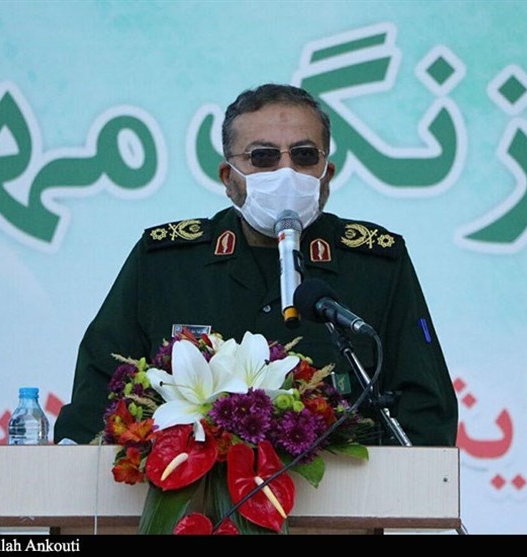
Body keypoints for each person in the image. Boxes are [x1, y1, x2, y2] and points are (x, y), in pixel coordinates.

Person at [53, 83, 458, 447]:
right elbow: (99, 396)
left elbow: (426, 412)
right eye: (262, 157)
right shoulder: (165, 263)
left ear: (327, 174)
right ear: (228, 177)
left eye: (304, 156)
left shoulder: (377, 265)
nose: (286, 172)